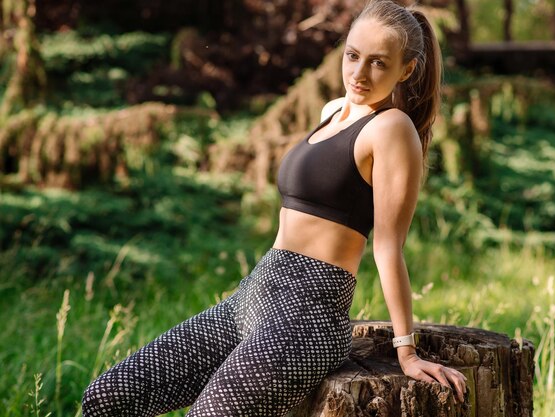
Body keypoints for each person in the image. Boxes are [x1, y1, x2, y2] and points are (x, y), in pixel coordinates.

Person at [82, 1, 467, 415]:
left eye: (378, 63)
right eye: (352, 56)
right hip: (253, 294)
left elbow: (389, 247)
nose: (359, 73)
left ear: (405, 70)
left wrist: (406, 351)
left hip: (309, 316)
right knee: (108, 397)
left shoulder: (391, 128)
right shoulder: (332, 112)